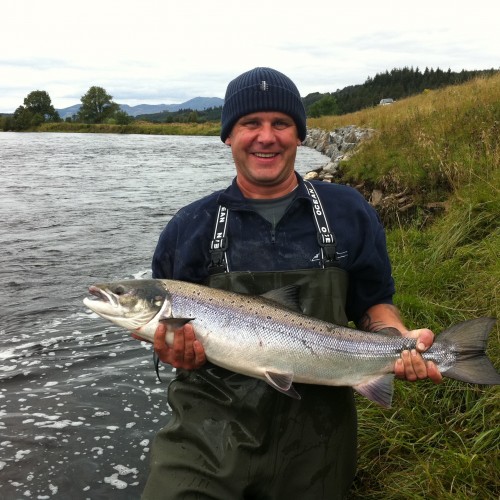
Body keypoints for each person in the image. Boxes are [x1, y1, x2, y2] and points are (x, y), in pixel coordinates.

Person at [141, 67, 442, 499]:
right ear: (228, 135)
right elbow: (173, 346)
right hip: (207, 435)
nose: (267, 137)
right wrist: (176, 356)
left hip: (319, 437)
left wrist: (397, 341)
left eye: (280, 123)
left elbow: (375, 304)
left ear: (299, 135)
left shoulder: (348, 211)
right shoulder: (189, 227)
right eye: (250, 123)